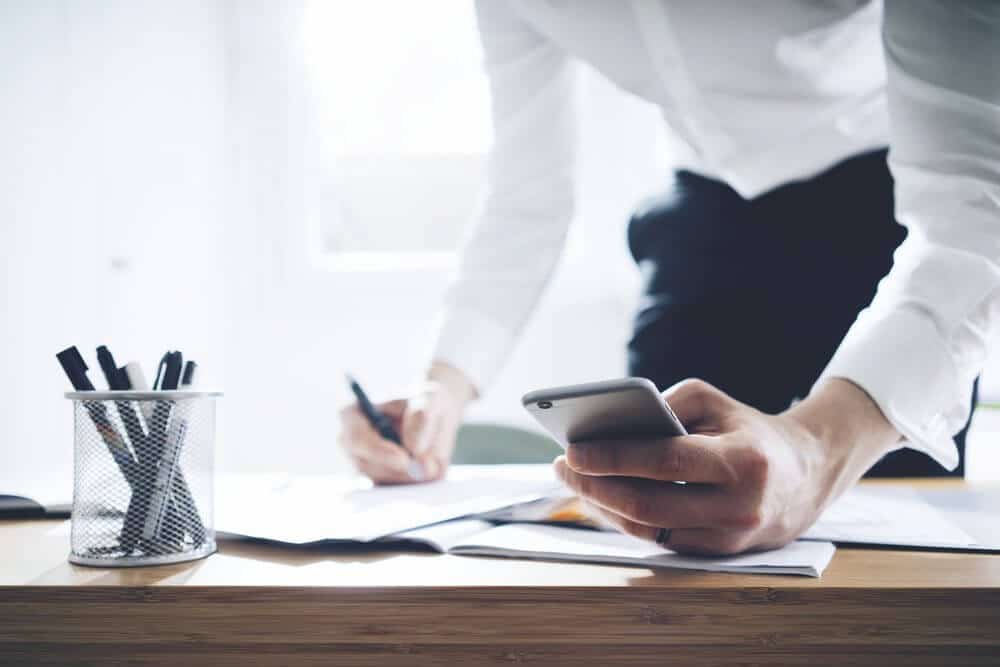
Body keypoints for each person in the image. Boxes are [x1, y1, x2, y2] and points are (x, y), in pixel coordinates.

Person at [338, 1, 1000, 555]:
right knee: (657, 528)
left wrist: (819, 449)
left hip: (889, 220)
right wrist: (442, 387)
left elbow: (975, 208)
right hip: (702, 226)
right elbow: (525, 194)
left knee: (890, 564)